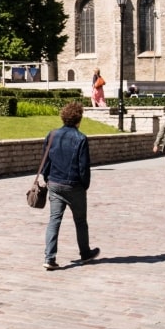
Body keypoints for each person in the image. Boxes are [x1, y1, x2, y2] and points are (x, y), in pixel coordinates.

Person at [41, 100, 100, 271]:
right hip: (74, 185)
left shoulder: (51, 135)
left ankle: (49, 257)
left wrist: (47, 178)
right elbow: (83, 167)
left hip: (55, 183)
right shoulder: (80, 138)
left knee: (54, 220)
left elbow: (46, 161)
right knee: (80, 221)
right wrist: (85, 185)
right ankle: (85, 253)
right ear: (78, 119)